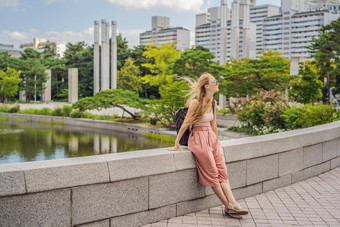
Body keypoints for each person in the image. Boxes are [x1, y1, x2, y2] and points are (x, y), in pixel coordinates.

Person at [169, 72, 249, 219]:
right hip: (198, 139)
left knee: (222, 170)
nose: (217, 83)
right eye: (215, 81)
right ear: (207, 86)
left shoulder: (213, 102)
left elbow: (213, 124)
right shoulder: (195, 102)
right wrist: (176, 143)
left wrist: (216, 142)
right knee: (212, 172)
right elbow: (186, 123)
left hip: (211, 138)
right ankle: (230, 206)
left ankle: (233, 204)